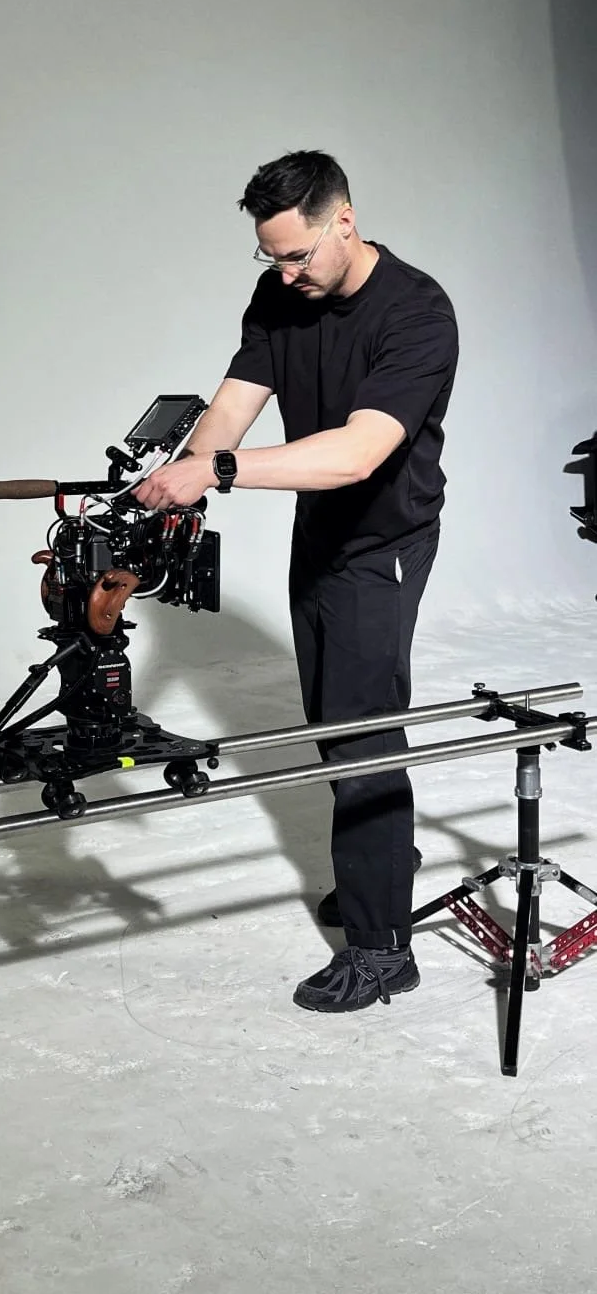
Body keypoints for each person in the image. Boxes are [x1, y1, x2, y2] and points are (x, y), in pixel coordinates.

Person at [133, 150, 459, 1014]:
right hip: (317, 533)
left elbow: (357, 454)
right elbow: (237, 398)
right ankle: (378, 869)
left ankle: (385, 947)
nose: (285, 274)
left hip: (382, 544)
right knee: (330, 724)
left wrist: (223, 472)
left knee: (364, 734)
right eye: (270, 258)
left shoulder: (419, 313)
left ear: (342, 223)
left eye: (298, 255)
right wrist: (180, 477)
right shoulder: (283, 294)